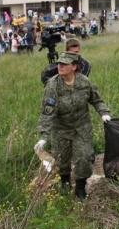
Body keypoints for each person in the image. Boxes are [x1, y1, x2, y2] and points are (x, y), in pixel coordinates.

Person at [34, 52, 110, 200]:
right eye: (59, 63)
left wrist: (104, 113)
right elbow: (47, 113)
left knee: (84, 158)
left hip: (81, 128)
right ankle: (64, 181)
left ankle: (80, 188)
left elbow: (96, 100)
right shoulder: (52, 86)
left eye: (64, 64)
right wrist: (43, 137)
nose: (59, 66)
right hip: (61, 129)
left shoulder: (84, 82)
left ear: (74, 66)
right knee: (61, 160)